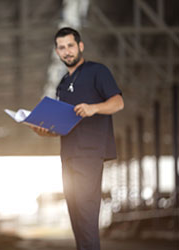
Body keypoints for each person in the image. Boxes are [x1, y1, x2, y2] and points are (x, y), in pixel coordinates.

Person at [31, 27, 124, 250]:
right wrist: (44, 130)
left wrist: (94, 108)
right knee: (76, 218)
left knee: (86, 215)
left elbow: (118, 102)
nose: (67, 51)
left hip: (89, 153)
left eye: (70, 46)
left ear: (80, 46)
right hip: (69, 156)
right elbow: (62, 125)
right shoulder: (62, 84)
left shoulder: (97, 71)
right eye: (61, 48)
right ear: (57, 52)